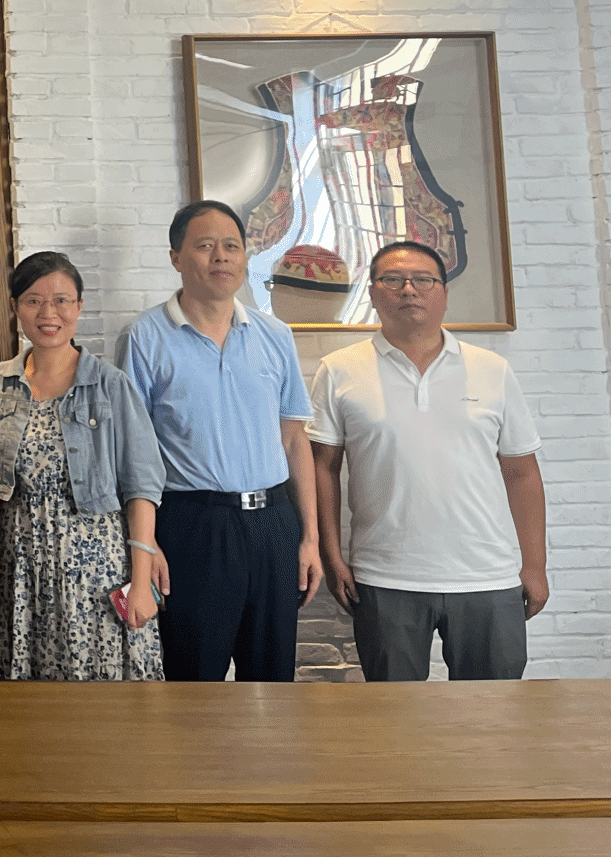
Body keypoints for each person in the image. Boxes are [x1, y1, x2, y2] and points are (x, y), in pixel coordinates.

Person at [310, 239, 547, 681]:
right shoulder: (340, 369)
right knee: (395, 715)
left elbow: (521, 472)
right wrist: (331, 554)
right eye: (393, 280)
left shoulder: (491, 369)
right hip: (385, 578)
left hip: (487, 577)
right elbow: (322, 467)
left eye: (423, 280)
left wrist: (535, 565)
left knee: (494, 712)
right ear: (373, 292)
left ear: (443, 293)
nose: (408, 289)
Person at [120, 199, 320, 683]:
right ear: (176, 257)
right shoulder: (144, 337)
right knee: (194, 680)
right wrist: (146, 546)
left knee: (273, 680)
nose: (221, 257)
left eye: (232, 246)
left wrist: (309, 537)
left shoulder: (274, 334)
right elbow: (131, 454)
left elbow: (294, 441)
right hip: (192, 526)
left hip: (273, 524)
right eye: (205, 246)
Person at [0, 251, 165, 681]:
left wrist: (141, 583)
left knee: (99, 687)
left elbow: (141, 486)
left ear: (79, 306)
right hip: (18, 563)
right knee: (24, 692)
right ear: (15, 307)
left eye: (61, 300)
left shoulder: (110, 384)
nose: (49, 313)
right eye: (33, 301)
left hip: (97, 565)